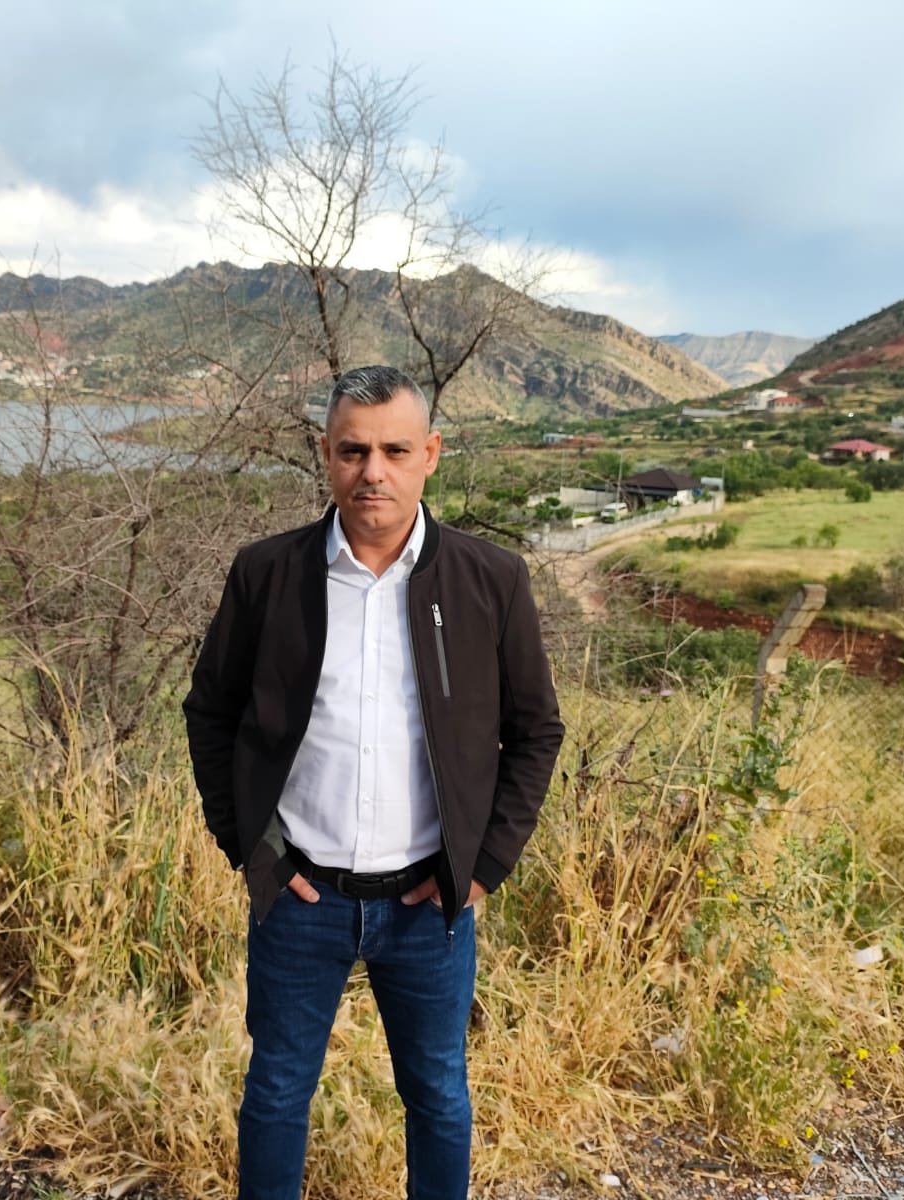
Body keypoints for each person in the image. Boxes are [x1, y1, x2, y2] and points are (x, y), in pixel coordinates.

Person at [184, 364, 564, 1200]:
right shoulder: (267, 574)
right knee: (276, 1092)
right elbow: (210, 713)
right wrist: (252, 848)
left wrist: (483, 866)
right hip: (299, 897)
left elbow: (536, 731)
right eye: (353, 450)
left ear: (431, 454)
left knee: (438, 1095)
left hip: (430, 904)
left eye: (395, 450)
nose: (373, 472)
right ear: (325, 453)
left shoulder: (490, 579)